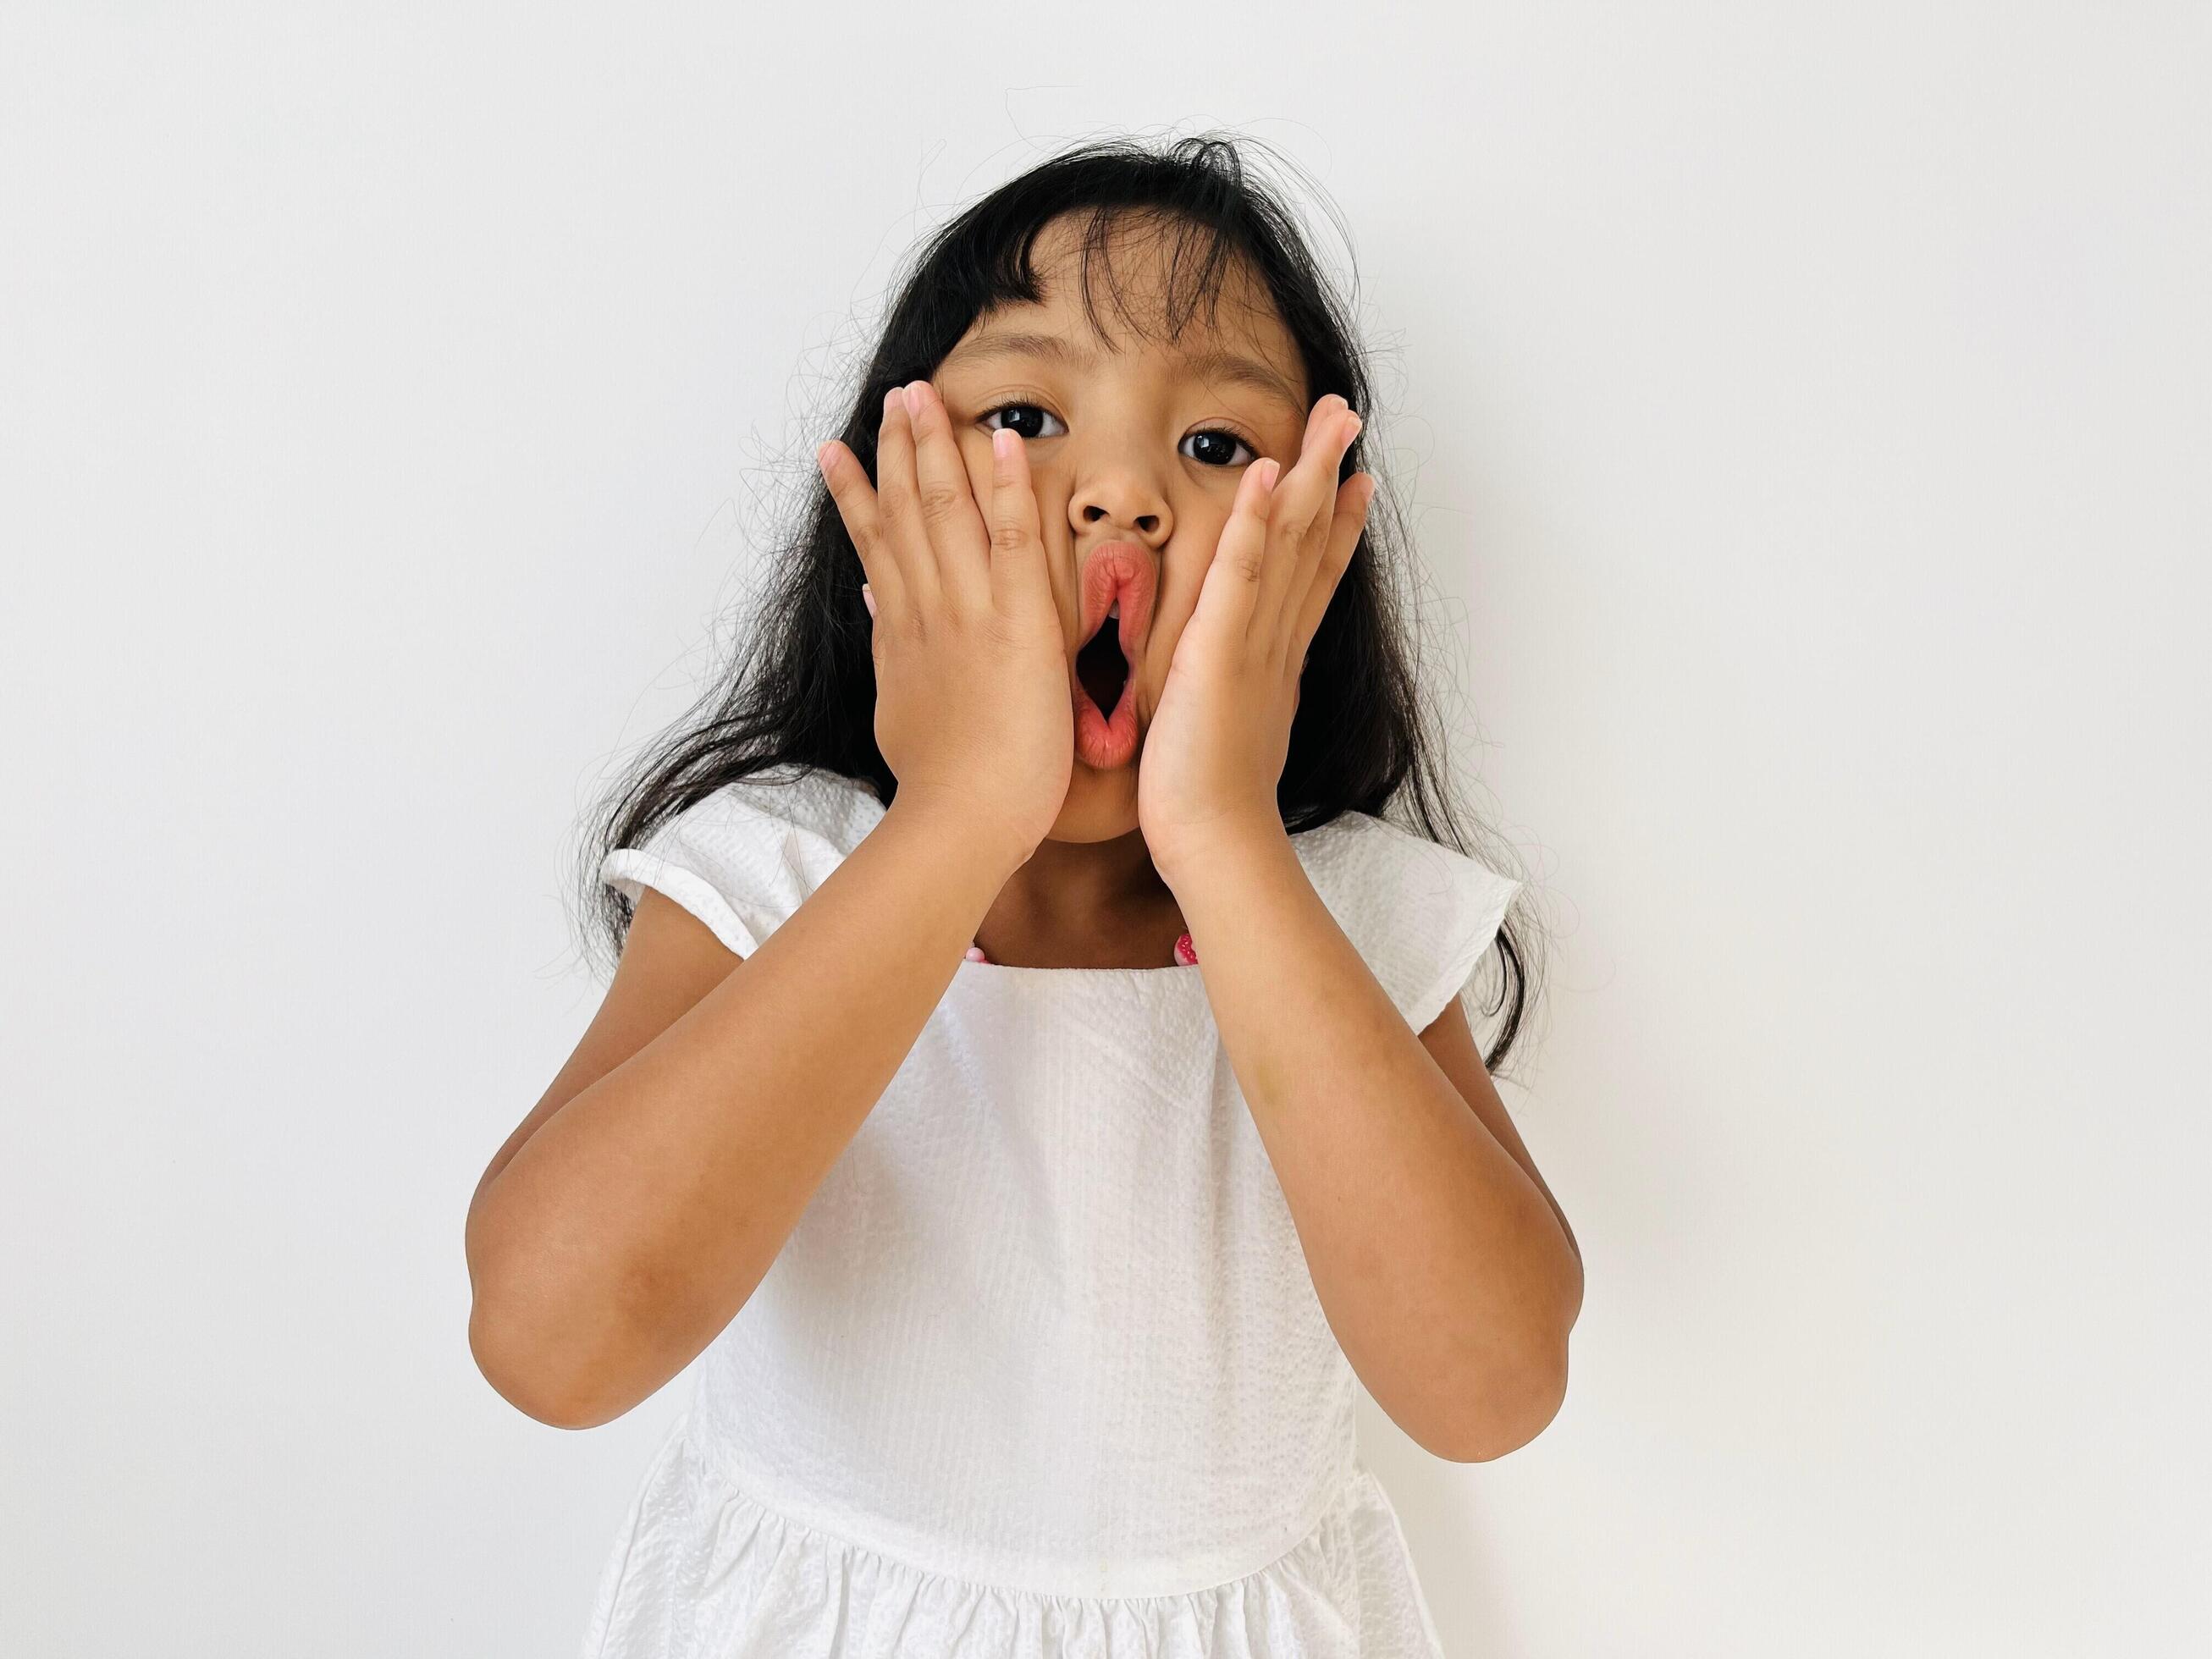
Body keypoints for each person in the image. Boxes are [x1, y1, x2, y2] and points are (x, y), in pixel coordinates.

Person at [466, 133, 1584, 1658]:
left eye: (1211, 448)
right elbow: (552, 1345)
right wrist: (958, 817)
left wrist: (1228, 842)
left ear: (1318, 543)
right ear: (885, 513)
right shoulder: (774, 870)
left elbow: (1488, 1389)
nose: (1117, 494)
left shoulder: (1351, 917)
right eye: (1025, 414)